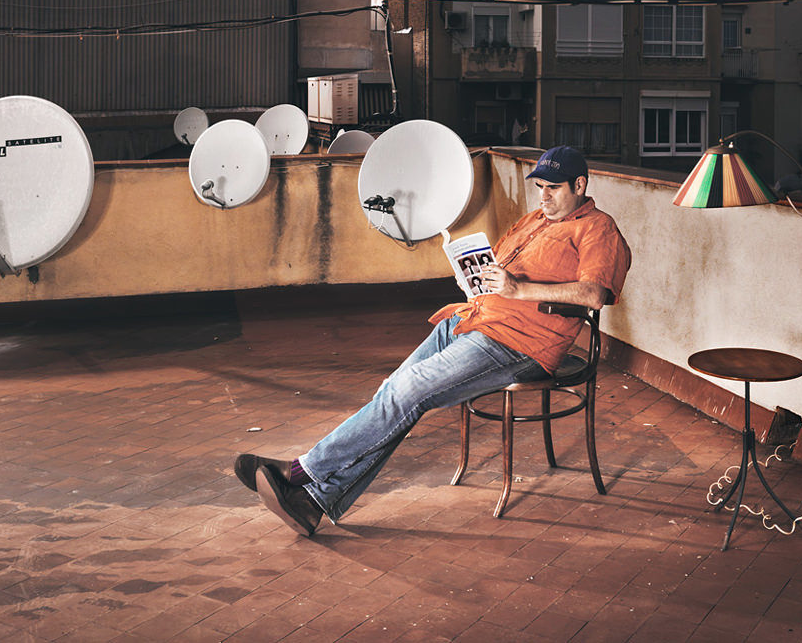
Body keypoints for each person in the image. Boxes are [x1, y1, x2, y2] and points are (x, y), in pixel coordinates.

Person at [234, 145, 632, 536]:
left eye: (553, 188)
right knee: (392, 392)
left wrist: (518, 290)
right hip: (473, 319)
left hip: (519, 343)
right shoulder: (533, 221)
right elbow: (496, 269)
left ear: (579, 185)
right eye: (540, 187)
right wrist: (473, 277)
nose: (543, 196)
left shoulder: (598, 229)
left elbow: (594, 294)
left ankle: (304, 470)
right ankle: (312, 503)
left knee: (406, 390)